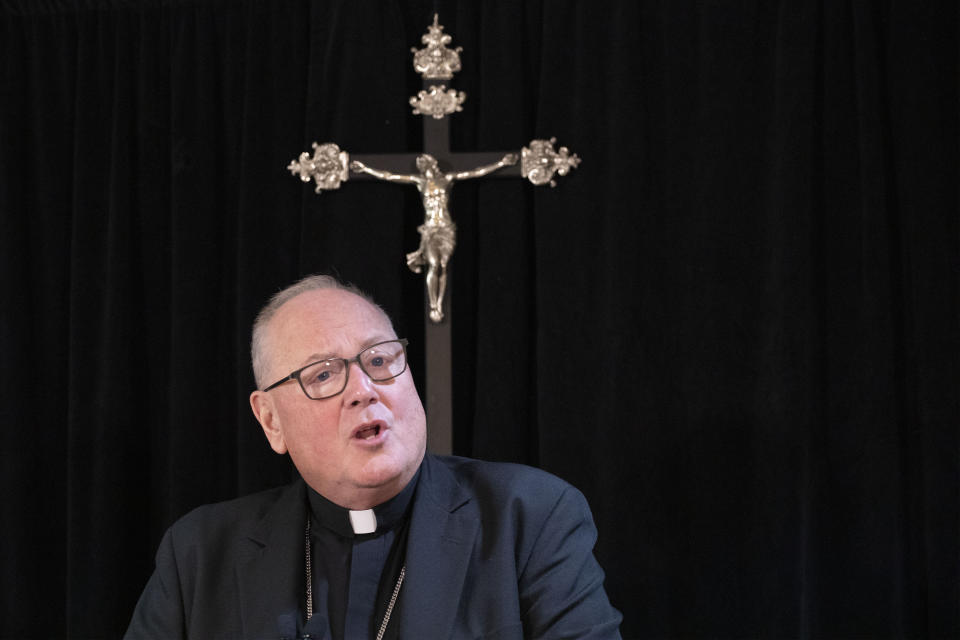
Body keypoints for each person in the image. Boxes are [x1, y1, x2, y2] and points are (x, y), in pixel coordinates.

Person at [125, 274, 622, 639]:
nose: (363, 389)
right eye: (322, 375)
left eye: (379, 360)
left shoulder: (530, 518)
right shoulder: (198, 555)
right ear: (271, 420)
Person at [349, 153, 517, 323]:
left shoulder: (447, 179)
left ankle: (439, 303)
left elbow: (476, 172)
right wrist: (366, 169)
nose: (423, 167)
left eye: (425, 164)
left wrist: (501, 163)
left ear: (431, 164)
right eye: (421, 165)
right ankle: (433, 305)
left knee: (443, 266)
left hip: (446, 229)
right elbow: (390, 176)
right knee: (434, 265)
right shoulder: (420, 182)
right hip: (430, 230)